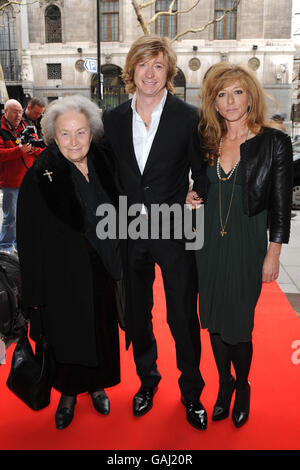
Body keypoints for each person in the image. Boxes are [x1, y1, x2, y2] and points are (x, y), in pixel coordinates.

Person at [102, 35, 208, 430]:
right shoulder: (110, 120)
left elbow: (203, 171)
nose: (150, 73)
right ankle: (147, 381)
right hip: (129, 228)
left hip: (175, 227)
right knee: (137, 313)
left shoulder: (188, 116)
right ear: (132, 70)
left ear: (169, 72)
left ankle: (192, 391)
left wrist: (198, 194)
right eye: (144, 65)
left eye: (159, 66)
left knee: (182, 314)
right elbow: (105, 176)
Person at [187, 62, 293, 428]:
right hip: (208, 245)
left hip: (248, 241)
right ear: (213, 102)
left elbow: (281, 204)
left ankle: (243, 385)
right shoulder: (208, 140)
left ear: (250, 97)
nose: (229, 101)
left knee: (238, 323)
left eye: (236, 92)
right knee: (214, 319)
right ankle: (224, 383)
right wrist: (191, 196)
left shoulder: (274, 141)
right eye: (221, 94)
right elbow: (202, 186)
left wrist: (273, 253)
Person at [16, 95, 122, 430]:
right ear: (52, 135)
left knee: (101, 332)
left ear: (91, 133)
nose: (74, 141)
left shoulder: (105, 162)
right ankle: (68, 394)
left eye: (80, 132)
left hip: (103, 270)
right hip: (60, 277)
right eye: (65, 133)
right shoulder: (40, 176)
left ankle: (97, 385)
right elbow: (28, 239)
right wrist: (33, 296)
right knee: (66, 337)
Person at [0, 99, 42, 253]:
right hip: (11, 181)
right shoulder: (1, 128)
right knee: (10, 217)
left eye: (19, 111)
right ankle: (5, 248)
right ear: (6, 112)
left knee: (25, 216)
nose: (18, 115)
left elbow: (36, 146)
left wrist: (38, 150)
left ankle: (20, 245)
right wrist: (20, 151)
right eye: (14, 111)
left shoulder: (25, 127)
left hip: (28, 179)